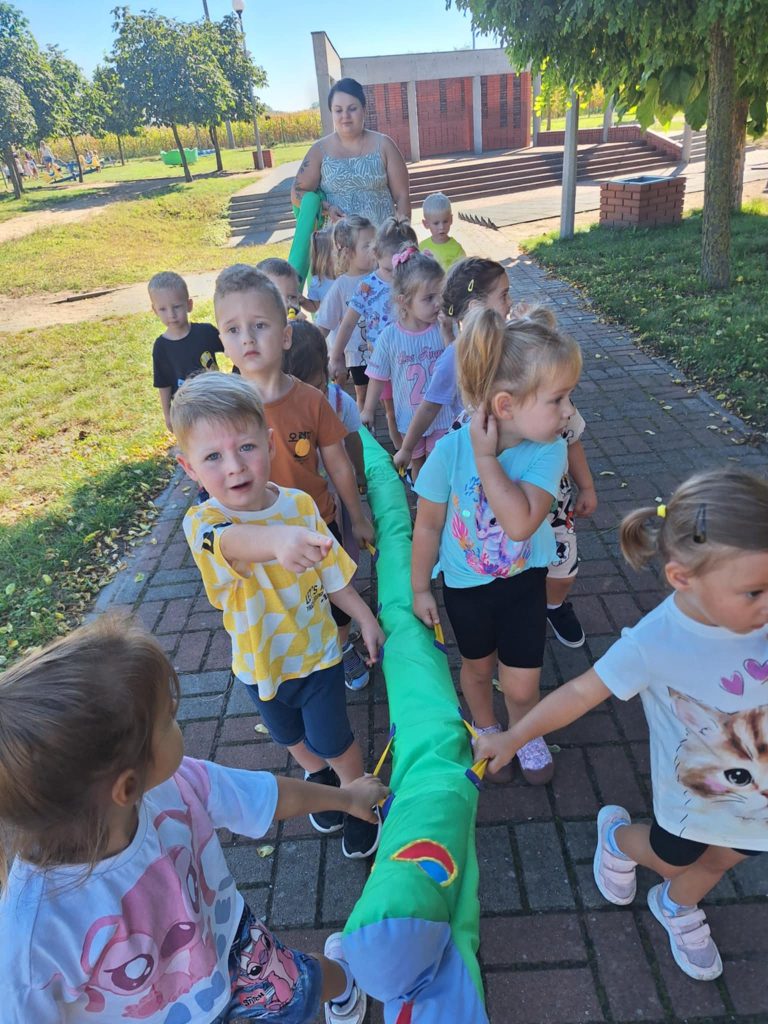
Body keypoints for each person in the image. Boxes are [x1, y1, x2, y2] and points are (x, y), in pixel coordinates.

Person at [0, 615, 387, 1023]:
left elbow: (268, 796)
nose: (177, 722)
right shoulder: (29, 940)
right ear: (127, 787)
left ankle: (345, 981)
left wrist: (348, 799)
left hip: (233, 948)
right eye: (168, 718)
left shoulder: (177, 783)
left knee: (305, 982)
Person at [477, 467, 768, 982]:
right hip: (692, 801)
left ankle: (677, 904)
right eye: (754, 591)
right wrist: (516, 735)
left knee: (727, 857)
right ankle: (617, 838)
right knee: (671, 857)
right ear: (683, 578)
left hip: (759, 803)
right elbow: (581, 692)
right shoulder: (654, 643)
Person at [174, 372, 385, 860]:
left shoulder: (300, 506)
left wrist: (365, 617)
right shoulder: (202, 523)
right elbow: (232, 544)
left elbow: (332, 574)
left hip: (317, 655)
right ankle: (318, 776)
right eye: (213, 457)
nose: (234, 467)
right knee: (290, 736)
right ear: (189, 468)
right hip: (258, 664)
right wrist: (277, 540)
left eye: (246, 447)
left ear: (270, 444)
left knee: (336, 739)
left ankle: (357, 797)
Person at [412, 305, 582, 785]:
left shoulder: (550, 449)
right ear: (507, 406)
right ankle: (486, 728)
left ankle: (523, 731)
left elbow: (521, 523)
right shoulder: (449, 451)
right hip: (465, 589)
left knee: (522, 681)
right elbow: (427, 526)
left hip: (524, 583)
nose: (569, 411)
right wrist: (420, 588)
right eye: (558, 399)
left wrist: (486, 459)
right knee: (476, 666)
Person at [213, 265, 376, 692]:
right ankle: (291, 659)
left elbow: (337, 464)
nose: (247, 339)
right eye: (233, 329)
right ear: (222, 341)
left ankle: (340, 645)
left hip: (317, 521)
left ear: (285, 336)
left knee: (335, 591)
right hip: (256, 533)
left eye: (259, 325)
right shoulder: (222, 410)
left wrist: (357, 517)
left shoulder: (311, 399)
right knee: (282, 602)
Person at [394, 257, 512, 474]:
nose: (511, 302)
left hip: (510, 443)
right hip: (474, 449)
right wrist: (407, 448)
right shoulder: (456, 355)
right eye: (504, 296)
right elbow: (429, 406)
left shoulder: (510, 340)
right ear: (475, 307)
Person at [329, 217, 418, 449]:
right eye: (389, 268)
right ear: (376, 255)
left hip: (412, 358)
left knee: (414, 406)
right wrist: (336, 356)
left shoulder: (412, 281)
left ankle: (414, 448)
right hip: (382, 363)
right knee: (391, 411)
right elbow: (348, 323)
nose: (395, 273)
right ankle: (401, 451)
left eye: (402, 265)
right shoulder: (367, 286)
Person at [360, 247, 447, 480]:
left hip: (443, 415)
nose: (438, 303)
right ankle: (421, 498)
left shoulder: (442, 328)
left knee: (440, 465)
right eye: (429, 298)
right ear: (404, 301)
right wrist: (368, 409)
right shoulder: (390, 336)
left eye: (440, 295)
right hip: (409, 418)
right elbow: (377, 376)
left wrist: (450, 331)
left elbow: (457, 359)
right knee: (417, 464)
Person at [291, 77, 411, 226]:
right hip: (336, 239)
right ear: (332, 112)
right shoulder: (319, 151)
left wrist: (402, 235)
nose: (345, 116)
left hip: (382, 238)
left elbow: (402, 196)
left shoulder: (384, 145)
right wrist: (326, 207)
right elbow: (297, 192)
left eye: (352, 108)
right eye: (338, 110)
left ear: (364, 109)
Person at [284, 320, 366, 497]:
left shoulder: (341, 403)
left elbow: (353, 441)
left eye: (316, 387)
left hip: (337, 487)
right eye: (299, 390)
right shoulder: (280, 410)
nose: (310, 398)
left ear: (326, 366)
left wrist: (360, 473)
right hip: (297, 494)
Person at [149, 271, 223, 431]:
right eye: (163, 309)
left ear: (189, 304)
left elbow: (232, 348)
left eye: (176, 306)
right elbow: (163, 383)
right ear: (155, 310)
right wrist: (167, 414)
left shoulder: (206, 332)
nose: (171, 314)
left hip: (217, 401)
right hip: (187, 411)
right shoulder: (161, 347)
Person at [315, 216, 376, 410]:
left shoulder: (381, 275)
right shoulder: (341, 286)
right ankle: (364, 425)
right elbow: (323, 324)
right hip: (357, 355)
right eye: (367, 246)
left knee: (387, 398)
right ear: (348, 252)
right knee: (363, 395)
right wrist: (320, 356)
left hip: (384, 351)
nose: (375, 249)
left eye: (375, 243)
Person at [418, 192, 466, 272]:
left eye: (445, 221)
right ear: (426, 224)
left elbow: (463, 273)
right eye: (436, 223)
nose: (441, 227)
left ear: (451, 219)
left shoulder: (456, 249)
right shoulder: (422, 247)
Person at [302, 228, 337, 315]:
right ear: (326, 257)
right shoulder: (317, 282)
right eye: (338, 248)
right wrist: (302, 300)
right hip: (330, 323)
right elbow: (315, 307)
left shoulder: (348, 275)